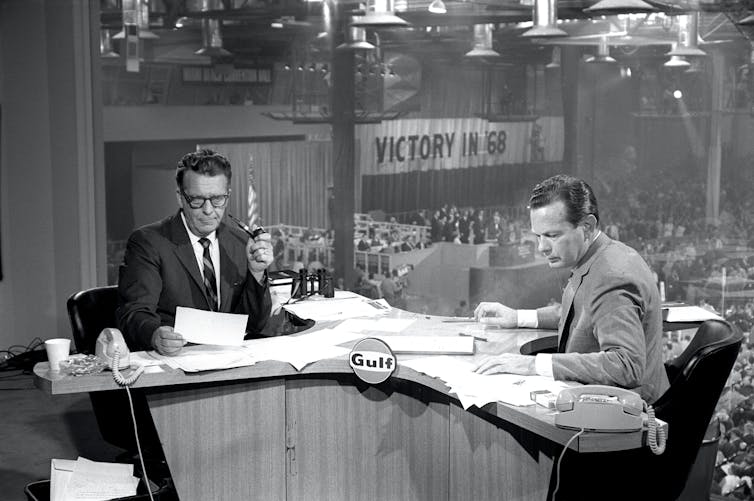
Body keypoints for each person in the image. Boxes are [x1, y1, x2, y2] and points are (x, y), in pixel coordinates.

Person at [473, 174, 669, 404]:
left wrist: (533, 365)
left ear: (587, 226)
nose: (542, 247)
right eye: (538, 236)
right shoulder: (600, 257)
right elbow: (583, 312)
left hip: (628, 420)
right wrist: (516, 316)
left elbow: (626, 365)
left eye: (552, 235)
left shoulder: (612, 277)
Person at [116, 148, 274, 356]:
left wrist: (256, 273)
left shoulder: (241, 242)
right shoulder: (149, 242)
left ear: (228, 196)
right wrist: (155, 335)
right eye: (197, 200)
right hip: (176, 362)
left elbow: (255, 323)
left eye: (217, 199)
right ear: (181, 197)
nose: (208, 210)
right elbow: (134, 312)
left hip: (230, 361)